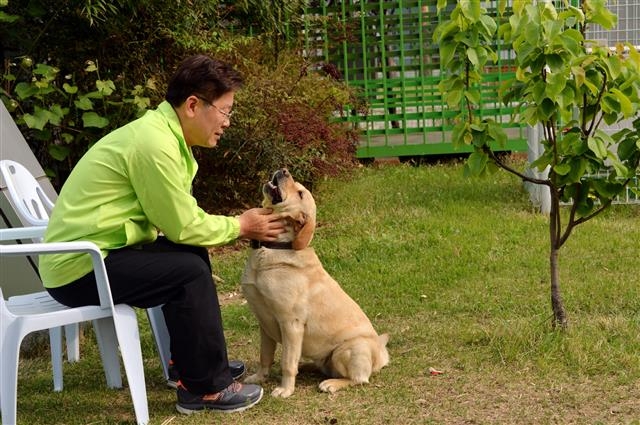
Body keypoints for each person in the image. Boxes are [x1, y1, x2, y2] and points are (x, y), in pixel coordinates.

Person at [39, 55, 285, 414]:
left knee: (189, 254)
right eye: (225, 111)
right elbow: (183, 225)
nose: (227, 122)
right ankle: (204, 389)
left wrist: (231, 226)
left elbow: (179, 226)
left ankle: (191, 365)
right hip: (78, 268)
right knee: (188, 272)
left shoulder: (162, 136)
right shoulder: (154, 144)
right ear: (192, 105)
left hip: (97, 253)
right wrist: (241, 226)